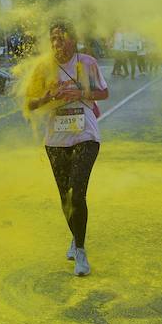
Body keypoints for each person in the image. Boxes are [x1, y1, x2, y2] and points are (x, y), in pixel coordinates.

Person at [27, 20, 109, 277]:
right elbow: (30, 104)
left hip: (86, 135)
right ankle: (75, 236)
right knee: (65, 197)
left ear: (73, 40)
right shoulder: (43, 68)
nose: (56, 43)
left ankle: (81, 252)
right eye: (52, 38)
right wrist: (48, 97)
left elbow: (104, 93)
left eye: (61, 38)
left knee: (77, 193)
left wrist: (80, 94)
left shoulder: (86, 63)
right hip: (56, 139)